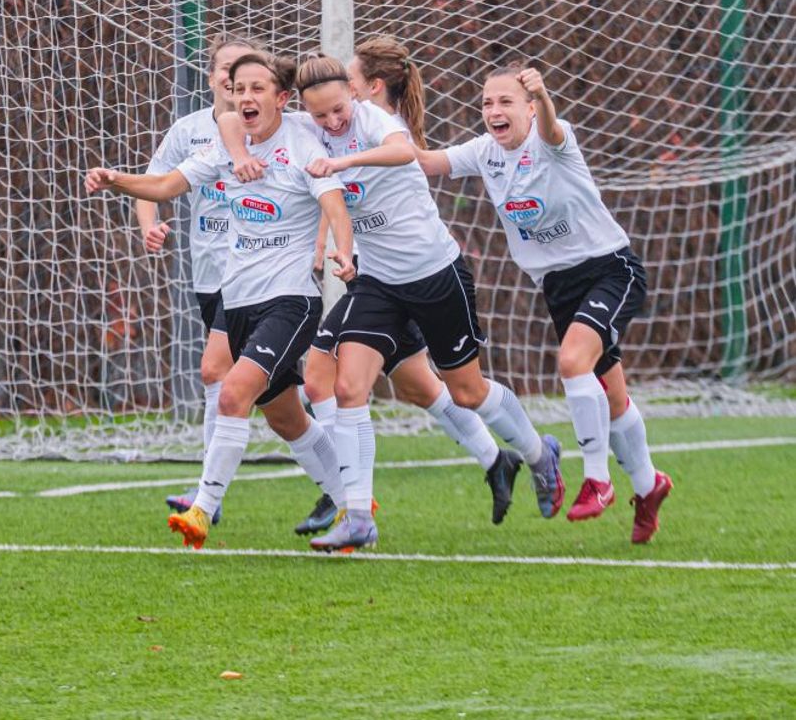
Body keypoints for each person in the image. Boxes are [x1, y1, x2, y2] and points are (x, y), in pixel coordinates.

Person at [224, 49, 564, 553]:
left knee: (467, 391)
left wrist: (343, 160)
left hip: (434, 274)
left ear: (354, 94)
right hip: (378, 283)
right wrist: (242, 148)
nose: (331, 122)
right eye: (319, 115)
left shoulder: (373, 120)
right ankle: (359, 516)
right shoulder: (305, 128)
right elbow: (232, 120)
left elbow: (404, 152)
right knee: (347, 387)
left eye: (338, 110)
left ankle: (538, 454)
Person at [87, 52, 354, 549]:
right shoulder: (223, 147)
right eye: (239, 88)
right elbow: (165, 185)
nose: (246, 97)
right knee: (286, 418)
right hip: (238, 303)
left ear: (281, 97)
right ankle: (354, 507)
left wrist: (343, 248)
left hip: (291, 301)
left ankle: (203, 510)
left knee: (232, 393)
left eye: (258, 88)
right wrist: (115, 180)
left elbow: (334, 203)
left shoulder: (302, 142)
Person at [419, 64, 672, 543]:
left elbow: (554, 129)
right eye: (487, 103)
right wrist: (373, 122)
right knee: (612, 396)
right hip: (559, 287)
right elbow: (425, 161)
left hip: (609, 269)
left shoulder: (553, 138)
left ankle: (597, 479)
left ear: (530, 108)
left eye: (506, 101)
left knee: (573, 362)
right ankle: (648, 485)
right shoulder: (485, 152)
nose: (495, 110)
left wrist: (546, 96)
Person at [132, 35, 259, 523]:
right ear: (211, 78)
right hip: (208, 275)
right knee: (280, 398)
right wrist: (149, 225)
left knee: (213, 371)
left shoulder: (272, 131)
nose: (233, 78)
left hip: (256, 273)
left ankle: (208, 495)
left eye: (244, 70)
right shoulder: (189, 131)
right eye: (226, 68)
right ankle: (338, 484)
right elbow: (153, 183)